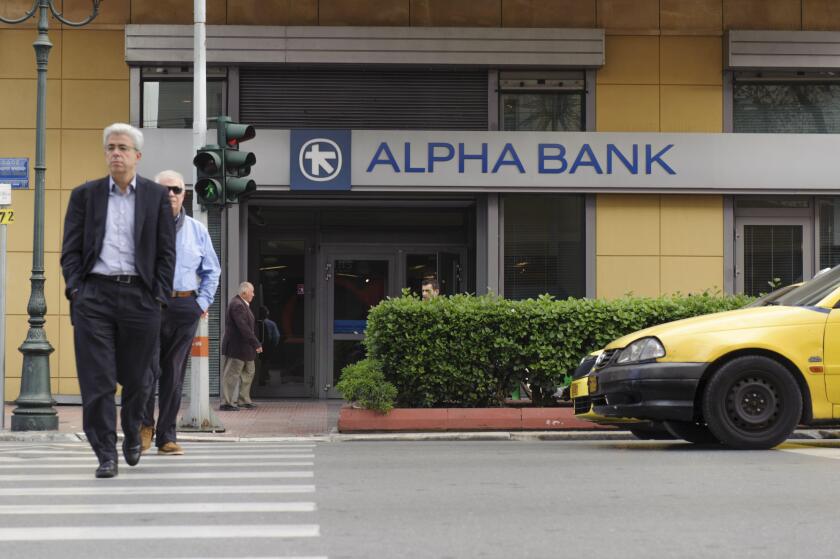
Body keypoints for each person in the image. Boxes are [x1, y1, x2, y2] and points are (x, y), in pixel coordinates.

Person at [60, 123, 176, 479]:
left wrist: (158, 295)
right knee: (97, 381)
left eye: (123, 148)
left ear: (137, 156)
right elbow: (71, 251)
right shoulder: (85, 196)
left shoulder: (156, 197)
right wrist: (77, 291)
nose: (116, 153)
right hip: (95, 296)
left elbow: (166, 254)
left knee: (141, 379)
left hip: (141, 298)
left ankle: (133, 433)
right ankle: (105, 453)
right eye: (111, 147)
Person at [140, 170, 221, 456]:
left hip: (184, 307)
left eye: (175, 189)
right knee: (147, 372)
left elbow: (212, 270)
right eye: (164, 190)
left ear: (183, 194)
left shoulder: (198, 230)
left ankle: (166, 437)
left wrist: (201, 303)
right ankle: (144, 427)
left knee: (173, 375)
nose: (170, 195)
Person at [220, 282, 263, 411]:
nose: (254, 294)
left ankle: (243, 400)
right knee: (232, 374)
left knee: (249, 372)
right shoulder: (237, 305)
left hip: (245, 348)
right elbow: (243, 327)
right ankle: (226, 403)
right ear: (244, 292)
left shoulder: (242, 304)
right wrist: (255, 343)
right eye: (252, 291)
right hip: (237, 348)